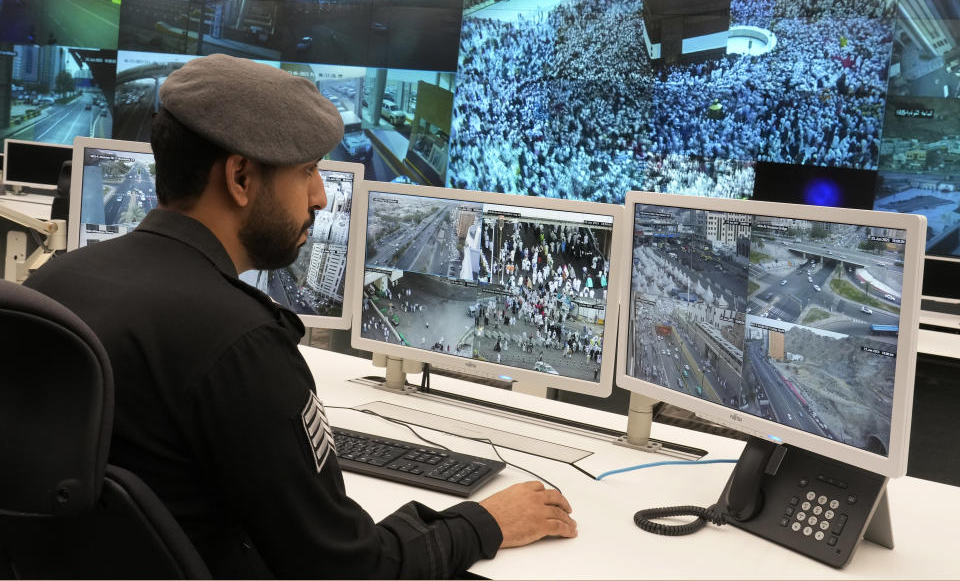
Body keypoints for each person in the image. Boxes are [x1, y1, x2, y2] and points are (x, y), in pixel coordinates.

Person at [24, 55, 576, 579]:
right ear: (240, 178)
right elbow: (352, 568)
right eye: (308, 171)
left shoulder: (54, 284)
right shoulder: (242, 343)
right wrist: (482, 523)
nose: (320, 197)